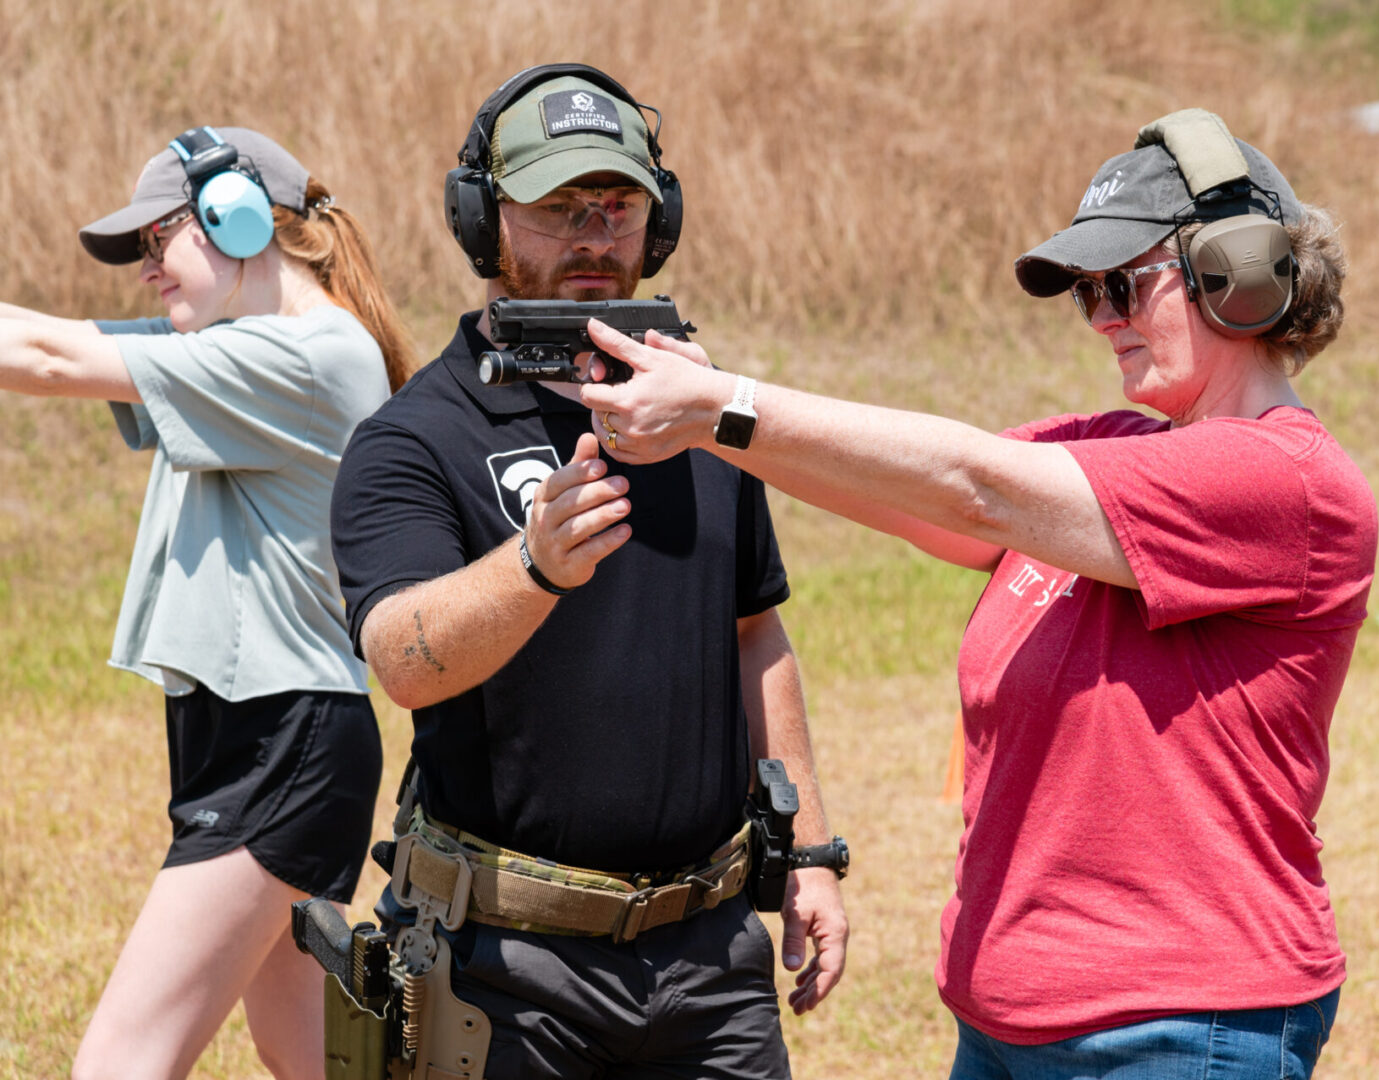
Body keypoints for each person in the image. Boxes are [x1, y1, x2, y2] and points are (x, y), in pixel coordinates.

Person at [577, 109, 1377, 1079]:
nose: (1103, 319)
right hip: (1009, 1013)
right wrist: (715, 421)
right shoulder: (1113, 448)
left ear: (1237, 274)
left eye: (1124, 284)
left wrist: (729, 407)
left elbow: (975, 486)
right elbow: (920, 494)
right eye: (1088, 295)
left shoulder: (1281, 481)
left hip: (1177, 1023)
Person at [328, 64, 846, 1079]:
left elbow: (754, 631)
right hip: (502, 968)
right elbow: (402, 659)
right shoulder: (411, 440)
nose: (594, 237)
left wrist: (814, 858)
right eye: (557, 209)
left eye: (616, 207)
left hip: (710, 959)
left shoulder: (697, 411)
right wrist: (535, 566)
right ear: (483, 223)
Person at [0, 126, 412, 1078]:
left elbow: (57, 365)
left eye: (158, 240)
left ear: (237, 220)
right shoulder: (241, 346)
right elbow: (52, 339)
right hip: (260, 738)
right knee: (319, 1062)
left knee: (120, 1063)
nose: (146, 269)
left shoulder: (304, 359)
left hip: (281, 747)